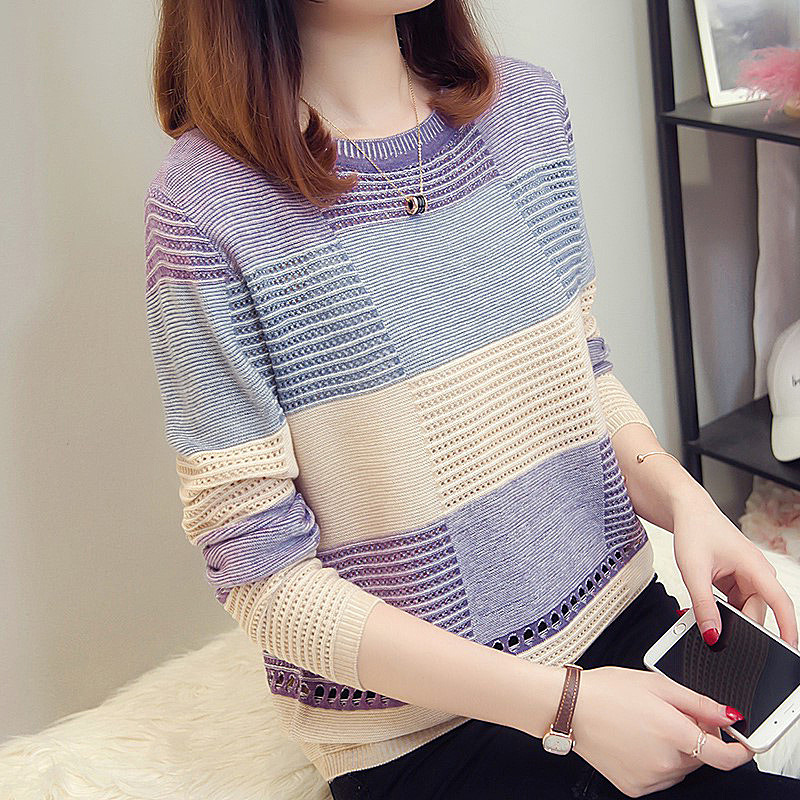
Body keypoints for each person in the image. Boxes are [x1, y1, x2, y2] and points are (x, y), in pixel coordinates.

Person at [143, 1, 800, 797]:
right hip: (427, 728)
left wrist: (685, 501)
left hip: (625, 625)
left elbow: (580, 371)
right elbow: (263, 577)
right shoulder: (205, 206)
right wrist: (568, 706)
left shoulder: (527, 111)